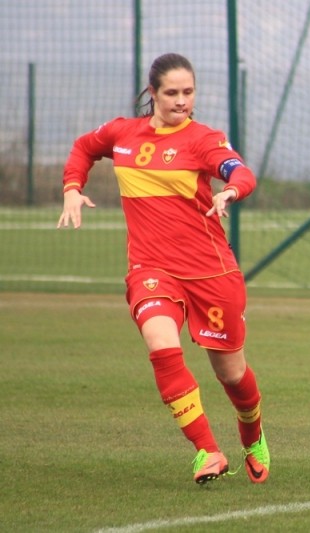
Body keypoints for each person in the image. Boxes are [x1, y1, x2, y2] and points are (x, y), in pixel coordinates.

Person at [57, 53, 271, 485]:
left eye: (188, 92)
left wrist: (230, 191)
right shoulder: (122, 134)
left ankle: (253, 437)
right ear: (152, 92)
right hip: (151, 268)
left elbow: (240, 171)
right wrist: (72, 188)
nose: (181, 101)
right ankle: (207, 451)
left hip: (210, 272)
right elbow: (84, 147)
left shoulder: (203, 139)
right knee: (160, 345)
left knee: (231, 374)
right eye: (172, 93)